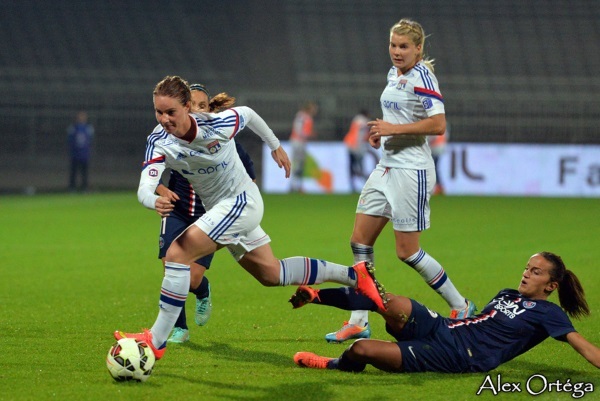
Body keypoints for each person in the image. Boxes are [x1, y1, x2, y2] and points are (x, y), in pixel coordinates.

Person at [114, 76, 387, 361]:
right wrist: (153, 199)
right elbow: (145, 186)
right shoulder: (159, 140)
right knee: (272, 274)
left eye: (171, 112)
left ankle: (156, 340)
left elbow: (248, 114)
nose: (165, 119)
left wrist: (275, 145)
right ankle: (355, 276)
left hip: (243, 203)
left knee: (178, 252)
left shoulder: (215, 124)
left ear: (187, 108)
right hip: (222, 211)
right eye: (159, 112)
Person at [324, 18, 475, 344]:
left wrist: (393, 130)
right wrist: (383, 134)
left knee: (407, 252)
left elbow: (437, 124)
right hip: (386, 167)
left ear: (418, 49)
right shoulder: (394, 74)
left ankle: (460, 305)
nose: (397, 51)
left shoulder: (423, 76)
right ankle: (359, 319)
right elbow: (399, 118)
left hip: (412, 172)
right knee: (359, 242)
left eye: (404, 46)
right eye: (393, 45)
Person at [292, 252, 600, 373]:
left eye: (535, 272)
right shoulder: (507, 294)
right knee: (390, 301)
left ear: (552, 285)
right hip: (445, 328)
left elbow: (583, 346)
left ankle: (339, 364)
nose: (526, 274)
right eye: (526, 268)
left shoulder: (549, 314)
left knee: (361, 349)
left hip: (461, 356)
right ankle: (316, 295)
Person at [153, 83, 256, 343]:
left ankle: (204, 290)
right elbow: (151, 172)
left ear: (209, 109)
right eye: (193, 105)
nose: (197, 109)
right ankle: (179, 328)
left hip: (209, 214)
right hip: (177, 212)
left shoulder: (222, 138)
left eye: (203, 105)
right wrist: (161, 190)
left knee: (193, 277)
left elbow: (249, 178)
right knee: (171, 266)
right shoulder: (172, 136)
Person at [289, 101, 318, 192]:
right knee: (299, 164)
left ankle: (294, 185)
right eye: (314, 109)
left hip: (295, 141)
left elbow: (297, 128)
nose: (315, 111)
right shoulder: (307, 118)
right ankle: (297, 186)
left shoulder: (300, 115)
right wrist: (311, 134)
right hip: (300, 142)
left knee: (296, 164)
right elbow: (303, 131)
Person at [343, 109, 370, 192]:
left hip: (349, 144)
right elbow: (362, 135)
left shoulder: (356, 119)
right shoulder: (365, 121)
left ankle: (352, 185)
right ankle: (366, 186)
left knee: (352, 166)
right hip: (357, 146)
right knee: (360, 166)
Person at [67, 111, 94, 192]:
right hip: (75, 154)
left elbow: (90, 141)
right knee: (73, 172)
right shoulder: (73, 128)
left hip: (84, 154)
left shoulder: (89, 128)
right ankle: (72, 188)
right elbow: (70, 141)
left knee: (84, 172)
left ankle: (84, 187)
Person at [428, 124, 449, 195]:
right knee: (435, 167)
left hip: (435, 148)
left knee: (434, 167)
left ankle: (438, 186)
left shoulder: (435, 124)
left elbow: (433, 138)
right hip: (440, 148)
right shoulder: (443, 123)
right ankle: (439, 186)